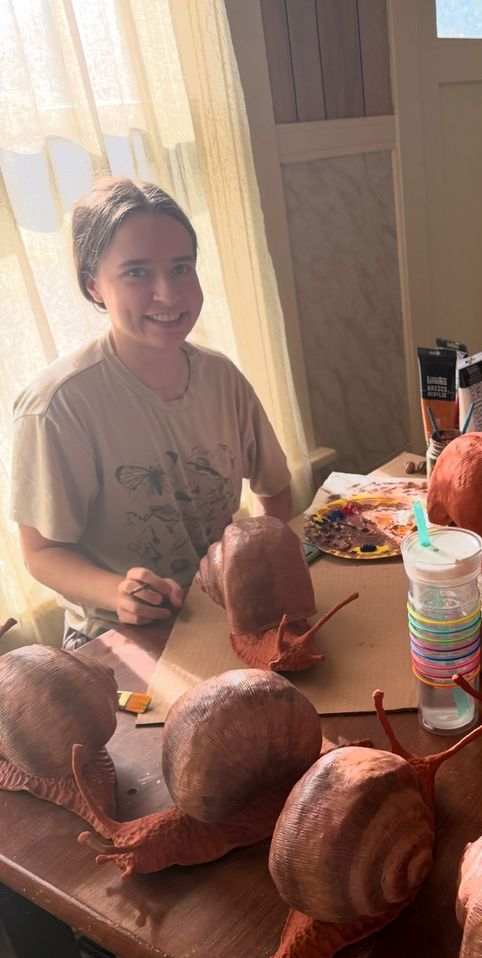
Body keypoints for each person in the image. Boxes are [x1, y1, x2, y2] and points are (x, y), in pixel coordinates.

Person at [12, 176, 292, 649]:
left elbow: (276, 491)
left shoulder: (222, 378)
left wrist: (255, 562)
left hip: (222, 611)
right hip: (117, 636)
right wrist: (116, 592)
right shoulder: (58, 407)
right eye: (137, 273)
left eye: (181, 268)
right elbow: (41, 551)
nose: (169, 293)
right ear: (93, 286)